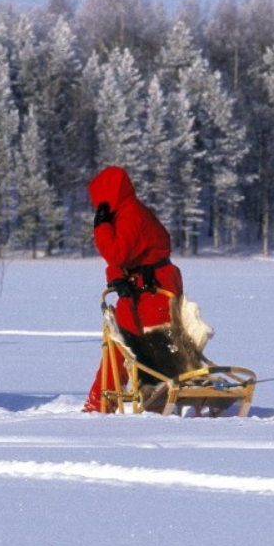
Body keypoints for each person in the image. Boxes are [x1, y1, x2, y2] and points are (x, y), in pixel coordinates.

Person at [83, 165, 185, 413]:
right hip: (138, 290)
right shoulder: (126, 213)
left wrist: (101, 227)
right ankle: (98, 405)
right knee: (120, 347)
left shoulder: (132, 215)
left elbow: (116, 252)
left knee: (153, 348)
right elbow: (124, 258)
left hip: (155, 290)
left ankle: (157, 406)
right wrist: (116, 276)